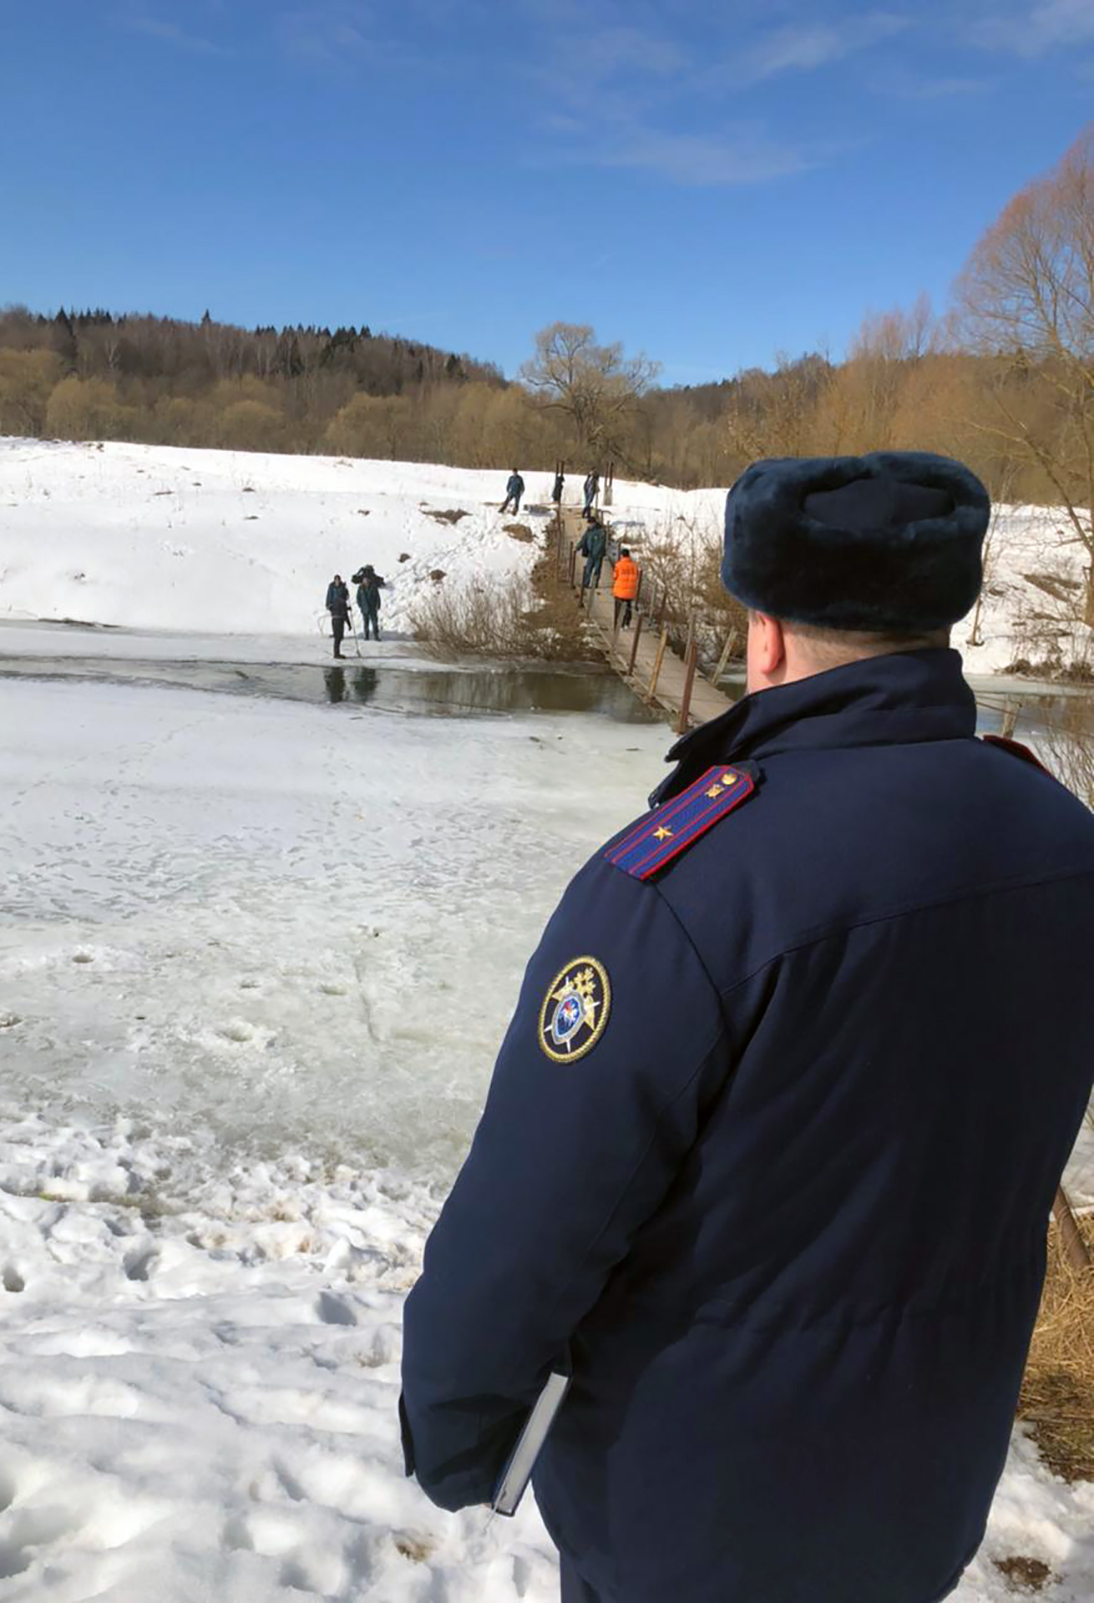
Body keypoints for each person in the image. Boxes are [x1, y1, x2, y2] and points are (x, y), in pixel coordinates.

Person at [400, 451, 1094, 1603]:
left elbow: (534, 1215)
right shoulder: (1061, 839)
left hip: (696, 1514)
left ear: (761, 633)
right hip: (927, 1484)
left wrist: (458, 1430)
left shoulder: (688, 887)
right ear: (946, 615)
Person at [577, 516, 607, 592]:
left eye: (590, 524)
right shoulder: (589, 531)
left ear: (594, 523)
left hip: (598, 555)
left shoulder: (601, 531)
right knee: (588, 569)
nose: (589, 525)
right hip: (591, 554)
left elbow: (601, 544)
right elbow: (583, 539)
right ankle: (586, 583)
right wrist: (577, 547)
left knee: (597, 570)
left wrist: (596, 552)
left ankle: (594, 584)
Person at [325, 574, 352, 659]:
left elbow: (344, 610)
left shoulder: (341, 593)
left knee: (339, 636)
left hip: (339, 616)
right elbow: (330, 601)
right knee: (338, 636)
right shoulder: (333, 590)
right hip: (337, 617)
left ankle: (337, 653)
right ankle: (336, 654)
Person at [611, 544, 638, 628]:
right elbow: (637, 576)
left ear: (622, 555)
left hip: (620, 590)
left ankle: (618, 623)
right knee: (628, 607)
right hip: (630, 591)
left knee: (618, 608)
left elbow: (615, 576)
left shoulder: (618, 565)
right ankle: (627, 623)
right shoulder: (634, 565)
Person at [356, 570, 382, 641]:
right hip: (365, 608)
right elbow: (358, 598)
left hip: (372, 608)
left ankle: (376, 635)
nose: (366, 581)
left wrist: (378, 605)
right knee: (365, 623)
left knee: (374, 623)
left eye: (367, 580)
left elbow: (377, 597)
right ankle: (366, 636)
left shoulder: (373, 587)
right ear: (363, 580)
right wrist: (361, 606)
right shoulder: (360, 588)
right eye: (365, 580)